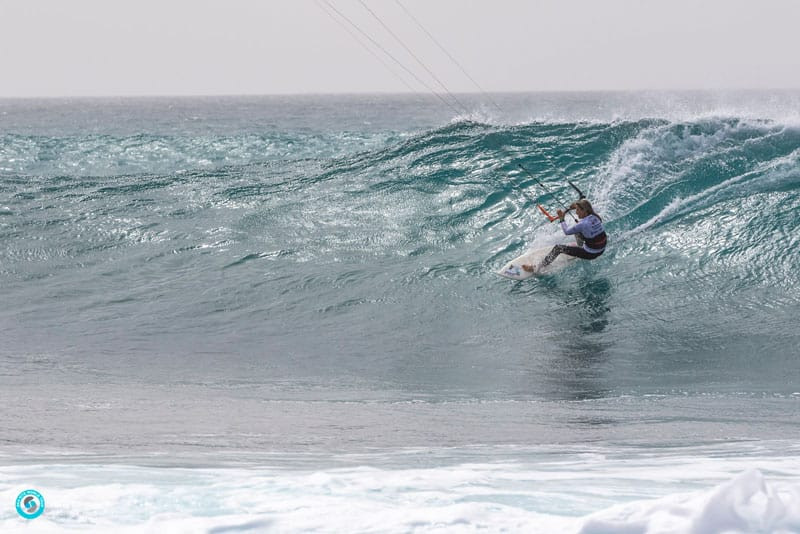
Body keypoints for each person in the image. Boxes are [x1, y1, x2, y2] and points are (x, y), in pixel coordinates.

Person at [522, 198, 607, 273]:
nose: (576, 213)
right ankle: (580, 246)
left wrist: (561, 218)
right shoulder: (595, 216)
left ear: (584, 211)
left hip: (591, 253)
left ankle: (537, 268)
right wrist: (576, 205)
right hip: (601, 249)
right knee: (578, 232)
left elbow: (566, 231)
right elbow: (586, 206)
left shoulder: (583, 224)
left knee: (558, 248)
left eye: (577, 210)